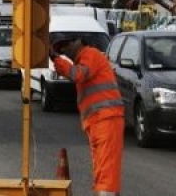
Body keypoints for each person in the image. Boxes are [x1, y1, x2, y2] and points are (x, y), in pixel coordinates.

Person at [50, 36, 125, 196]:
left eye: (66, 44)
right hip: (98, 122)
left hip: (106, 119)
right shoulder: (84, 60)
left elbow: (78, 75)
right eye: (60, 48)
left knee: (106, 172)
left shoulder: (90, 54)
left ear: (79, 41)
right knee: (101, 170)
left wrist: (56, 58)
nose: (64, 50)